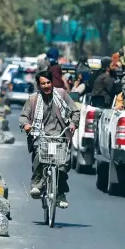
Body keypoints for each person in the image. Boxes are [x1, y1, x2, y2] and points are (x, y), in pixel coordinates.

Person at [19, 70, 80, 208]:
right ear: (39, 85)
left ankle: (61, 194)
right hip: (41, 135)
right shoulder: (33, 99)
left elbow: (75, 111)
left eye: (48, 82)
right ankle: (37, 184)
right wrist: (27, 125)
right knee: (39, 154)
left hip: (60, 136)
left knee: (63, 164)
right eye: (43, 84)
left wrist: (73, 123)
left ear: (52, 83)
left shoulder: (62, 94)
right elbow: (24, 116)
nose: (46, 86)